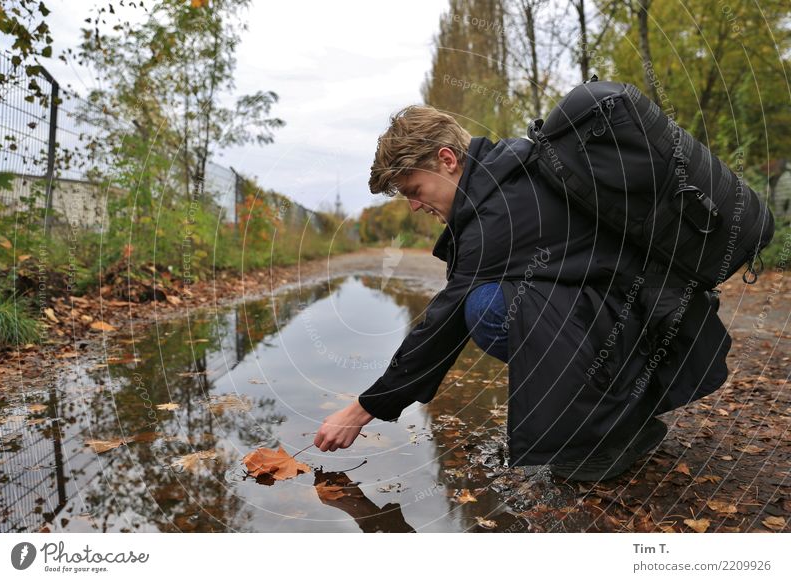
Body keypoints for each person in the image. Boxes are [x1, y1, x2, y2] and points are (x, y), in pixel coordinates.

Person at [313, 104, 732, 481]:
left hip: (652, 326)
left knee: (488, 308)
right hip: (646, 318)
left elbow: (441, 326)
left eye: (414, 191)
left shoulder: (500, 211)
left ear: (447, 160)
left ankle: (615, 431)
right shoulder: (508, 175)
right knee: (495, 302)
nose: (415, 206)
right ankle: (617, 414)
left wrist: (361, 410)